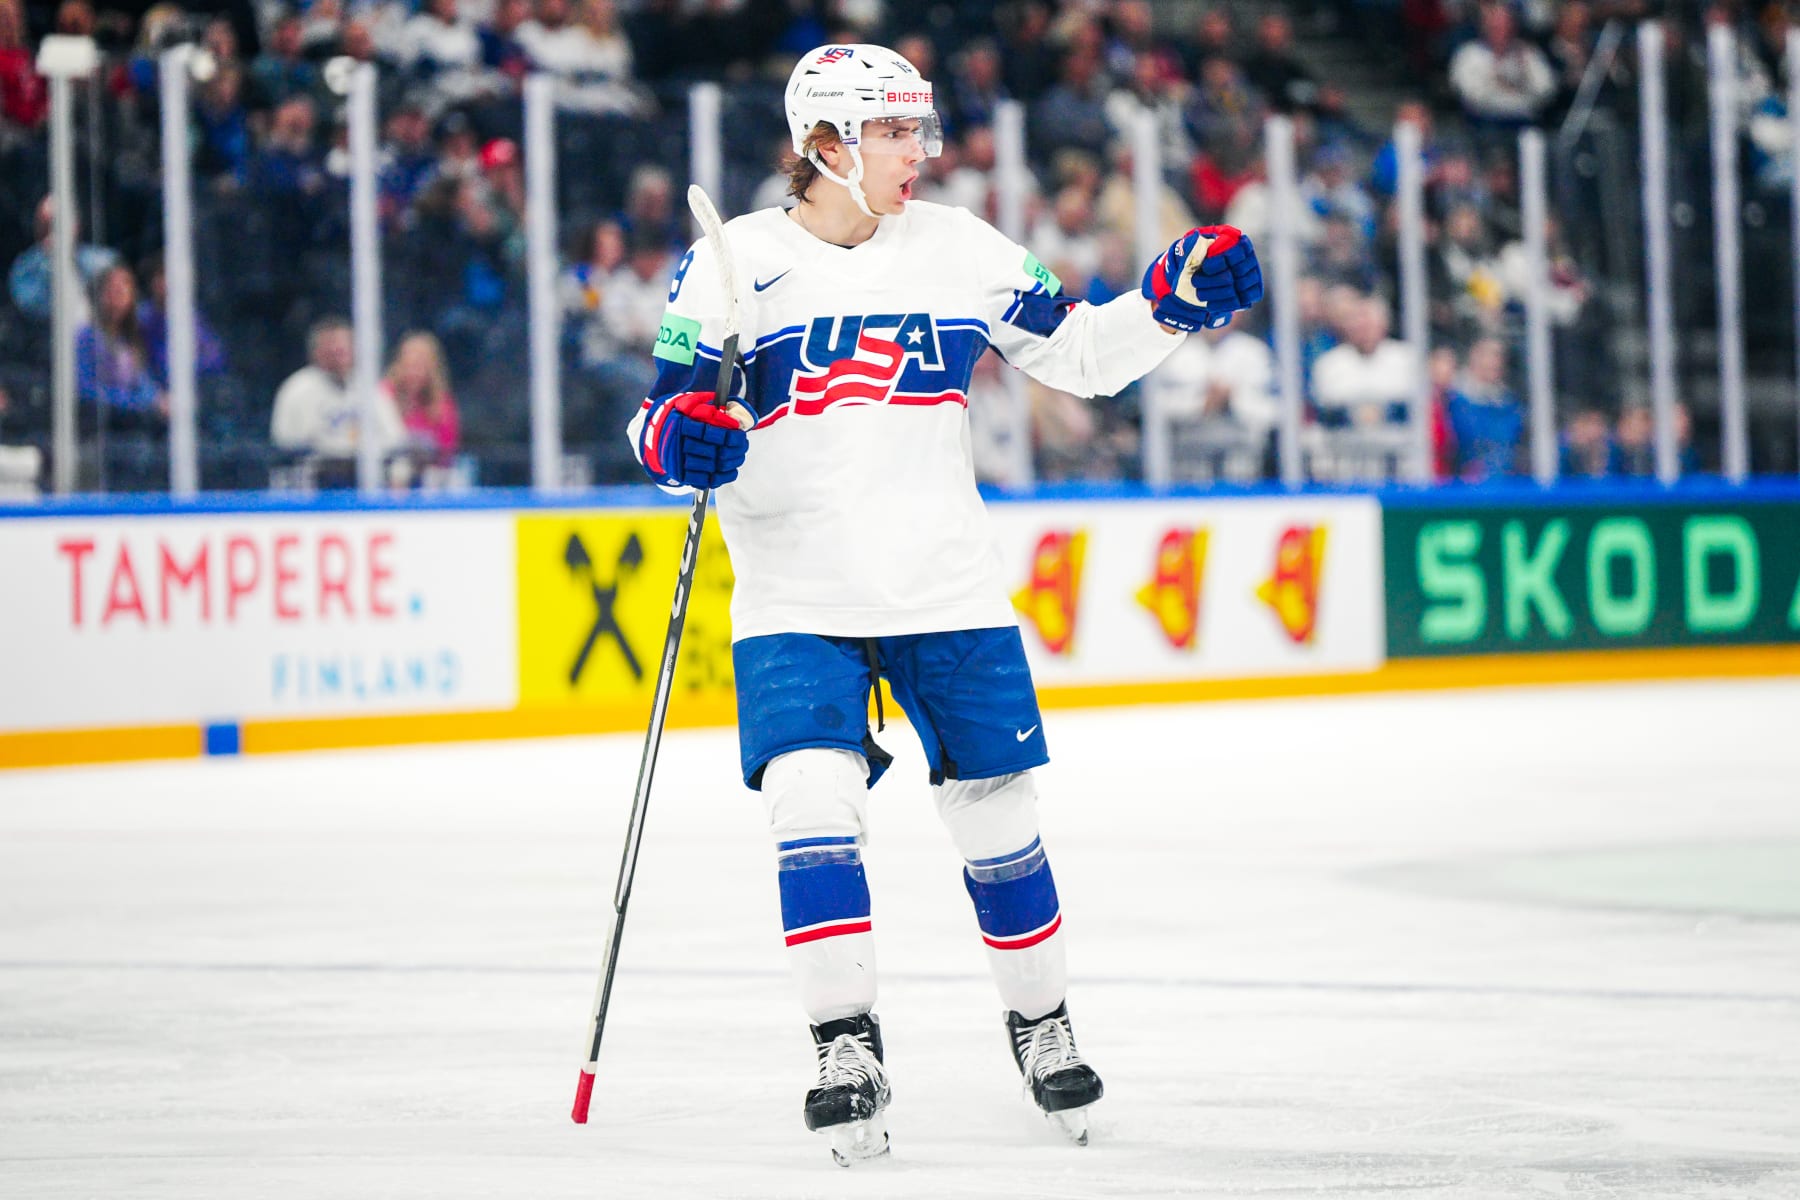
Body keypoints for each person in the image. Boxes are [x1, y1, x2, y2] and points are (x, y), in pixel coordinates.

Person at [624, 43, 1262, 1162]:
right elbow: (665, 423)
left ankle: (1042, 1024)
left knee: (1001, 822)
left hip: (945, 587)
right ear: (825, 144)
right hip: (794, 593)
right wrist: (675, 439)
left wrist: (1166, 306)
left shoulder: (962, 248)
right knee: (812, 802)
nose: (920, 150)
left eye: (919, 128)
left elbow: (1075, 355)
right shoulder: (726, 266)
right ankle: (843, 1040)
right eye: (893, 132)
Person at [270, 316, 405, 487]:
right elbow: (285, 446)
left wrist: (398, 478)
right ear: (315, 351)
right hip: (317, 485)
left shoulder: (370, 388)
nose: (337, 352)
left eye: (343, 347)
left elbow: (395, 440)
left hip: (368, 481)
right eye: (330, 346)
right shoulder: (296, 390)